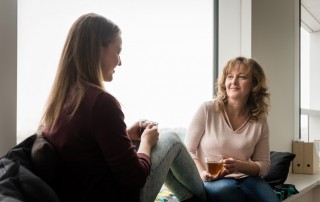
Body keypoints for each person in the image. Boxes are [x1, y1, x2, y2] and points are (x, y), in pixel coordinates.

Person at [39, 13, 205, 202]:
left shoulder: (61, 100)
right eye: (118, 52)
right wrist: (146, 142)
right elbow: (135, 178)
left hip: (82, 191)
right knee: (171, 140)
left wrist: (125, 133)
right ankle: (207, 198)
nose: (120, 62)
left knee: (146, 143)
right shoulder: (101, 102)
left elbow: (87, 149)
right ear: (97, 50)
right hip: (117, 196)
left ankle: (191, 198)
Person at [185, 56, 280, 202]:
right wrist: (203, 173)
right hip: (213, 179)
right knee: (228, 192)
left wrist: (240, 166)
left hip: (247, 178)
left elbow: (264, 165)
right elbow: (188, 150)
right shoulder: (207, 109)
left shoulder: (260, 120)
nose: (233, 82)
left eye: (242, 77)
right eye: (230, 76)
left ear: (254, 84)